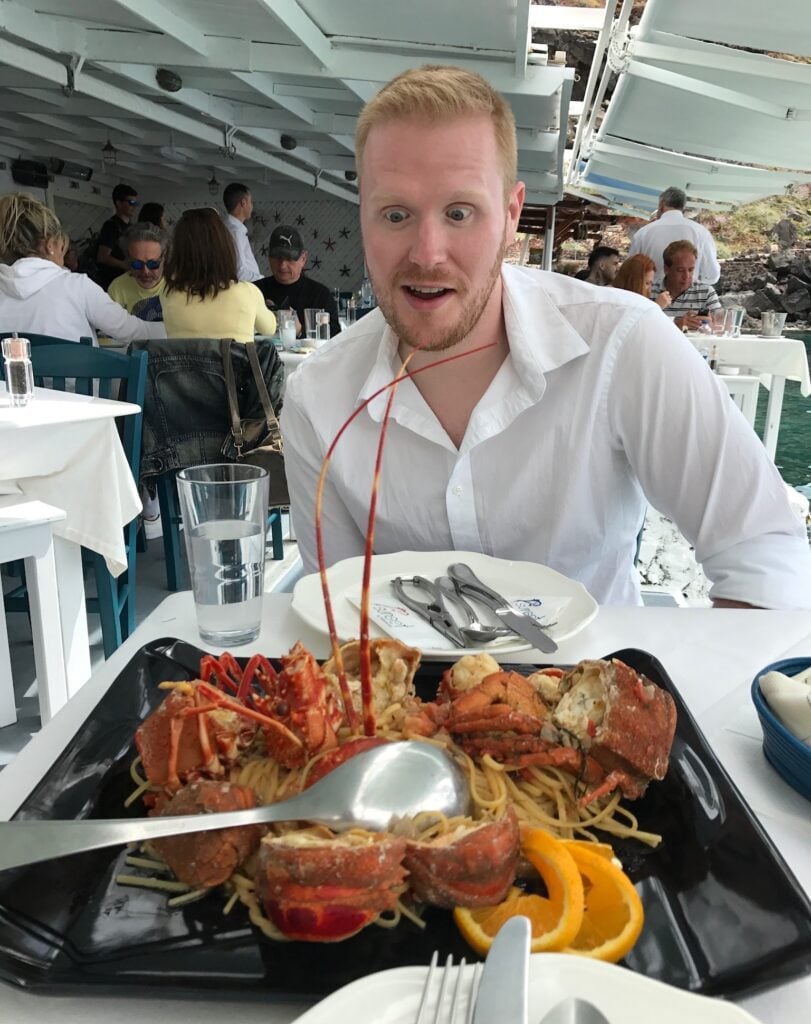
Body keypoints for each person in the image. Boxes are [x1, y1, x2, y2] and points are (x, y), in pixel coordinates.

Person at [279, 65, 810, 610]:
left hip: (599, 684)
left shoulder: (622, 342)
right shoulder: (317, 396)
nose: (427, 252)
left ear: (511, 217)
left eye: (459, 212)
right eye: (395, 214)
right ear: (363, 218)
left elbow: (764, 553)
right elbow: (338, 614)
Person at [0, 192, 165, 344]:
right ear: (51, 245)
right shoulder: (77, 286)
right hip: (77, 375)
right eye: (62, 247)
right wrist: (182, 327)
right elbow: (131, 331)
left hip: (16, 377)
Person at [161, 207, 276, 342]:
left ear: (179, 252)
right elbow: (270, 329)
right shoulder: (248, 292)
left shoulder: (168, 295)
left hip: (184, 364)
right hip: (234, 363)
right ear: (225, 248)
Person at [256, 225, 340, 338]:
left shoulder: (320, 295)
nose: (282, 265)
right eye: (277, 258)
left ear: (303, 258)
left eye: (289, 258)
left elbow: (336, 337)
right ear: (269, 257)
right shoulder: (254, 291)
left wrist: (301, 331)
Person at [628, 187, 721, 285]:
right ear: (683, 206)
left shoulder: (643, 233)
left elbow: (630, 271)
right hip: (689, 295)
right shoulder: (701, 232)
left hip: (651, 296)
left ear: (661, 205)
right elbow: (712, 275)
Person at [653, 240, 722, 331]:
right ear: (666, 269)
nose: (686, 276)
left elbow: (722, 329)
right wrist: (675, 325)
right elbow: (639, 328)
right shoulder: (648, 290)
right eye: (680, 270)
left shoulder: (706, 292)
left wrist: (710, 326)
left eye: (691, 270)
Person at [109, 223, 167, 321]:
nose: (145, 271)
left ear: (164, 258)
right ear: (128, 260)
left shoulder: (179, 285)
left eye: (153, 264)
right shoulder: (117, 288)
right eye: (137, 264)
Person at [96, 183, 139, 290]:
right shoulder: (111, 226)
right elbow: (103, 256)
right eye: (131, 202)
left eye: (136, 203)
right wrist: (125, 265)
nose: (134, 206)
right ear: (119, 203)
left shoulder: (130, 226)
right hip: (112, 281)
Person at [222, 182, 261, 282]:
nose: (252, 206)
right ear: (243, 203)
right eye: (251, 202)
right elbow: (239, 272)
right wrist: (263, 281)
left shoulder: (226, 228)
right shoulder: (235, 232)